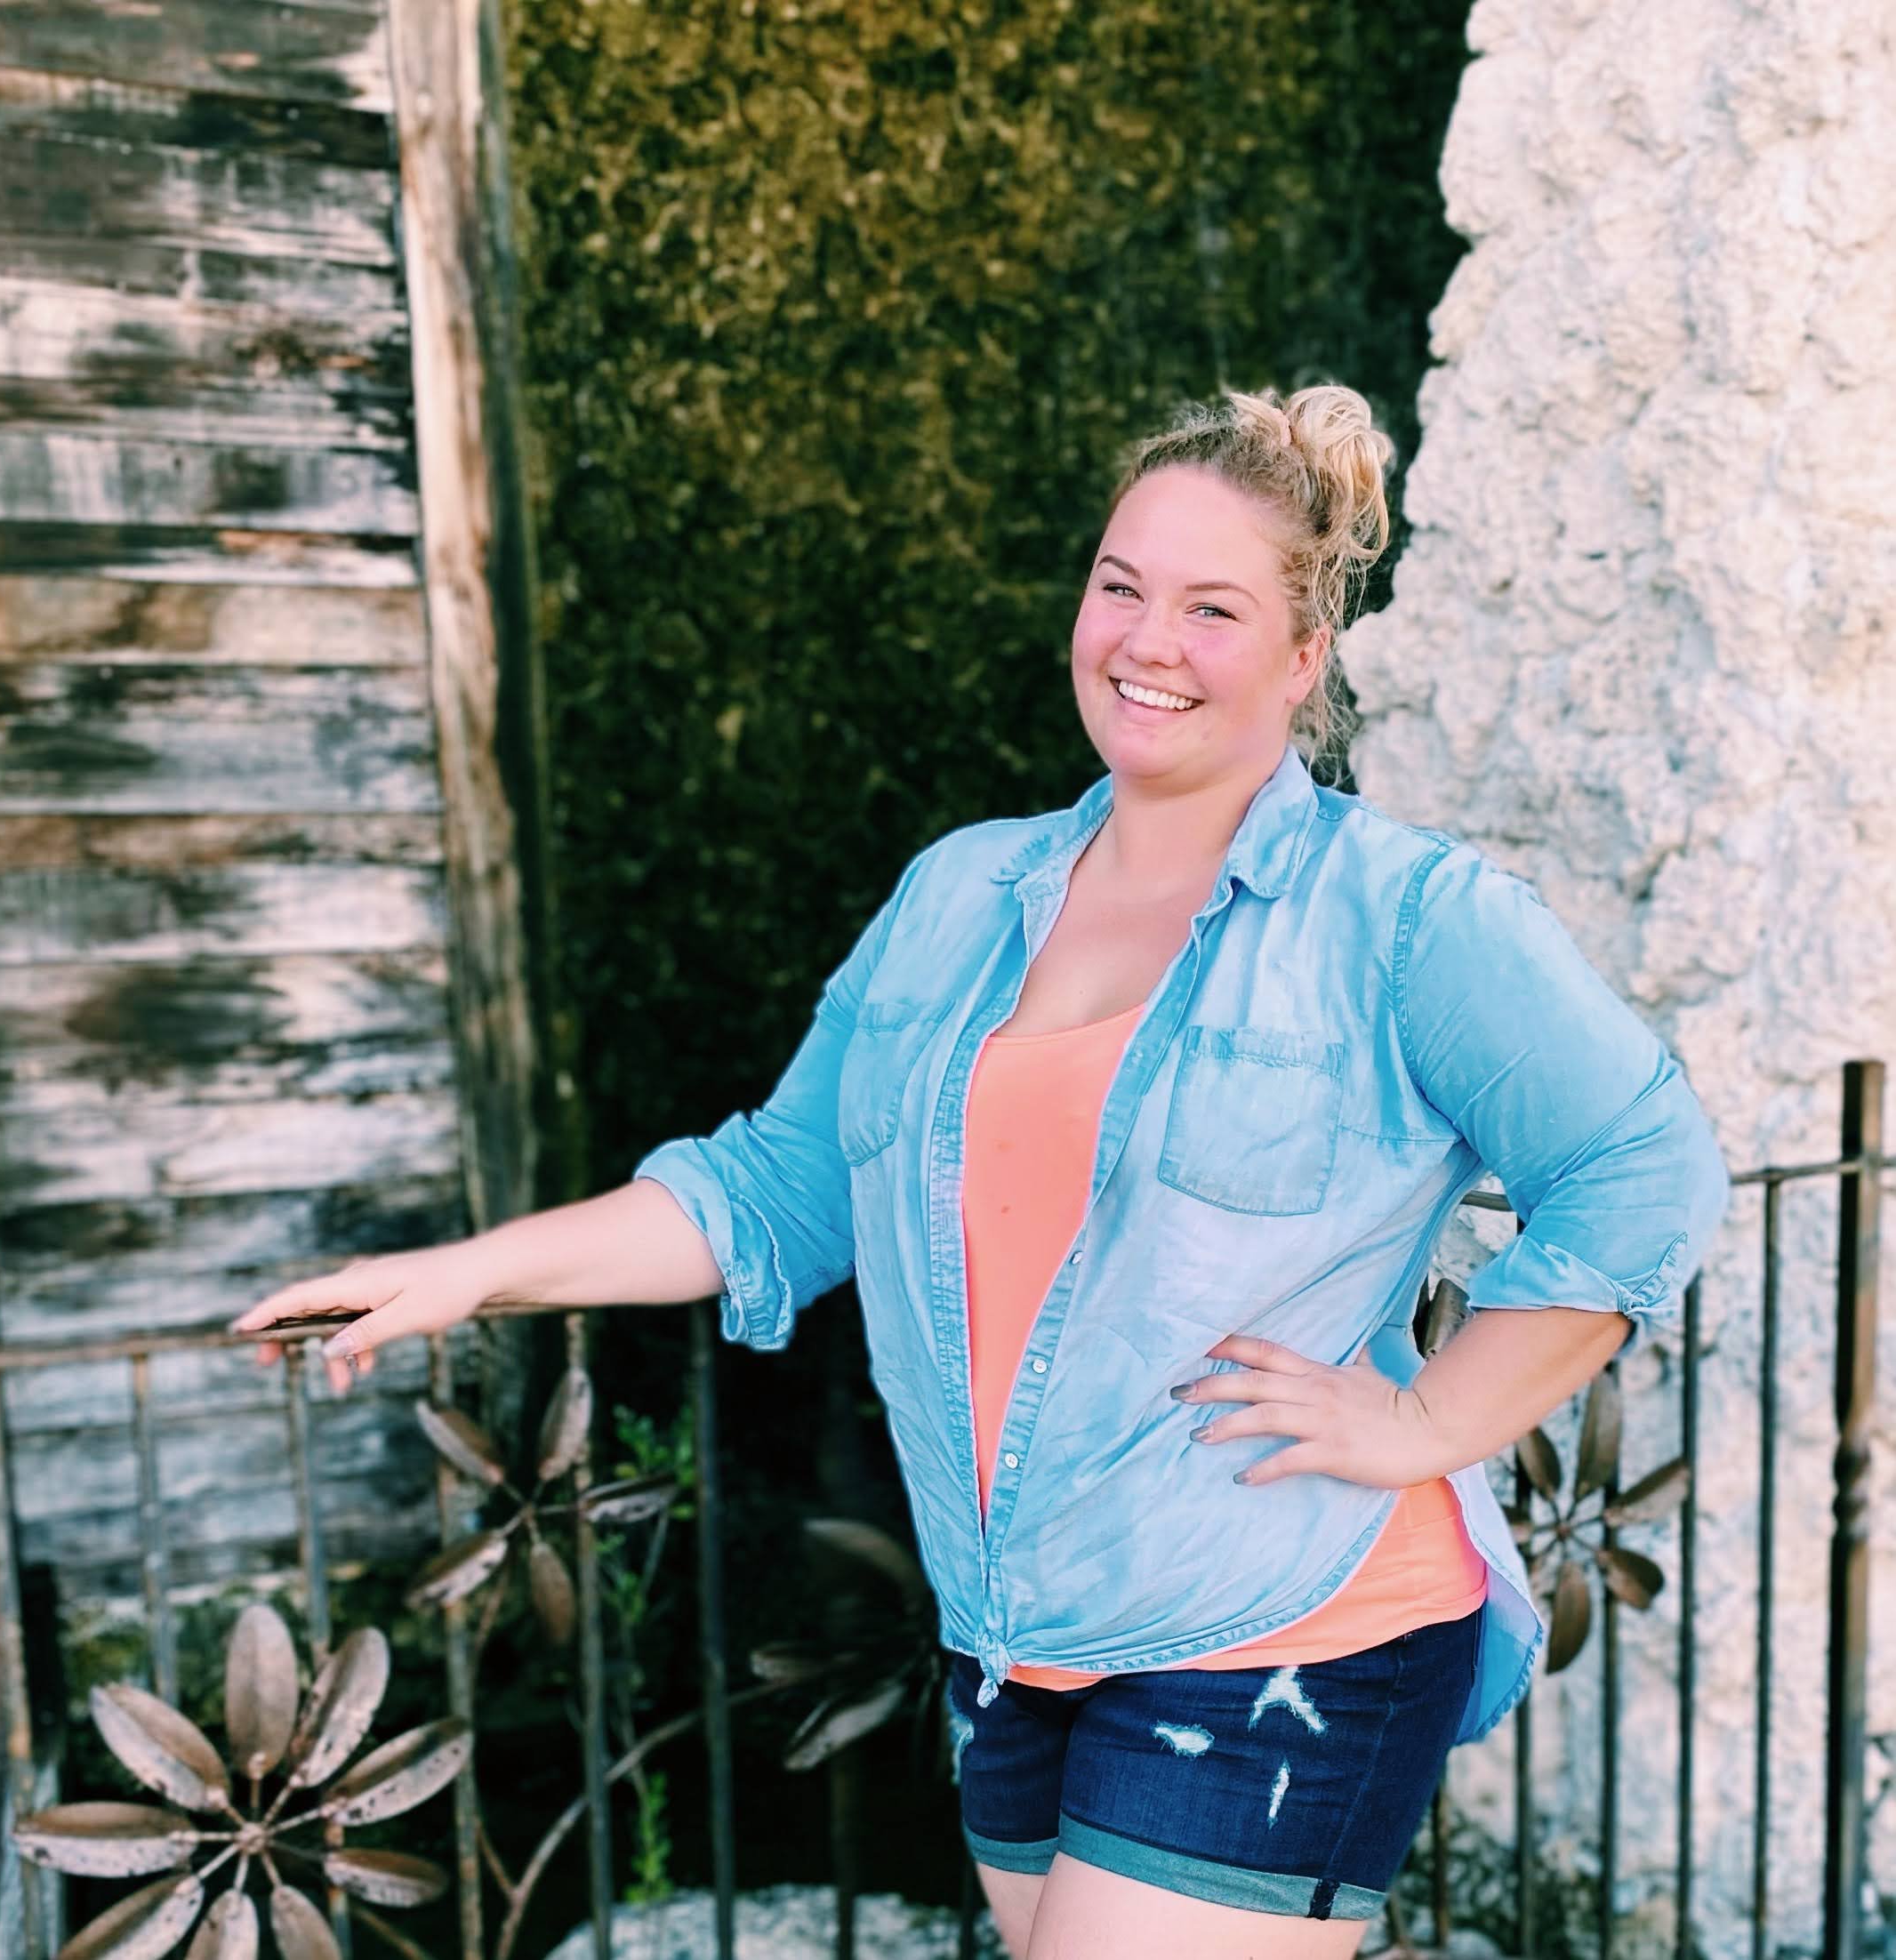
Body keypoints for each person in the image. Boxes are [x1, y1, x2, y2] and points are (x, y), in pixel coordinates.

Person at [233, 383, 1732, 1959]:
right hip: (1013, 1637)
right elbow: (774, 1190)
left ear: (1303, 657)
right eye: (1119, 587)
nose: (1146, 642)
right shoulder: (957, 893)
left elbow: (1643, 1164)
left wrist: (1431, 1420)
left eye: (1212, 609)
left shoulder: (1405, 916)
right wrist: (457, 1276)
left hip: (1284, 1619)